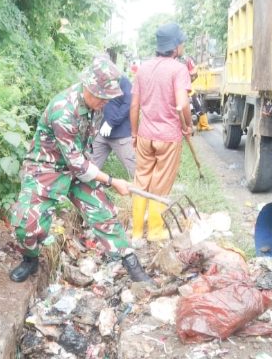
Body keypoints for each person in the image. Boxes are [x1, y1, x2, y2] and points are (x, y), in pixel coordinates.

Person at [8, 56, 151, 283]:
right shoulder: (63, 110)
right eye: (103, 97)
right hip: (46, 167)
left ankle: (132, 265)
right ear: (89, 88)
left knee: (102, 210)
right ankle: (30, 259)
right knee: (28, 224)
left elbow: (80, 159)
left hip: (76, 167)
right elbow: (77, 163)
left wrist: (100, 180)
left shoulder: (96, 106)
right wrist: (113, 181)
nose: (106, 102)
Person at [129, 23, 193, 242]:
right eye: (181, 42)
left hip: (145, 135)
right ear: (174, 47)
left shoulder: (143, 69)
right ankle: (155, 231)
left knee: (141, 181)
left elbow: (134, 106)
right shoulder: (178, 69)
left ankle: (137, 232)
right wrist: (188, 125)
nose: (183, 45)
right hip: (168, 137)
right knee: (160, 183)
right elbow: (183, 104)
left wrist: (135, 134)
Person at [90, 48, 137, 178]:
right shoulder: (95, 82)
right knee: (90, 168)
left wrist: (111, 122)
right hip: (101, 134)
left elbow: (129, 103)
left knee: (136, 171)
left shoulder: (122, 80)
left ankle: (148, 194)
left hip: (121, 135)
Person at [184, 56, 213, 132]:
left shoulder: (186, 65)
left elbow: (194, 75)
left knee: (197, 106)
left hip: (187, 90)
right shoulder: (187, 64)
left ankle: (201, 125)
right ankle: (203, 125)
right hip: (187, 90)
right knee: (198, 106)